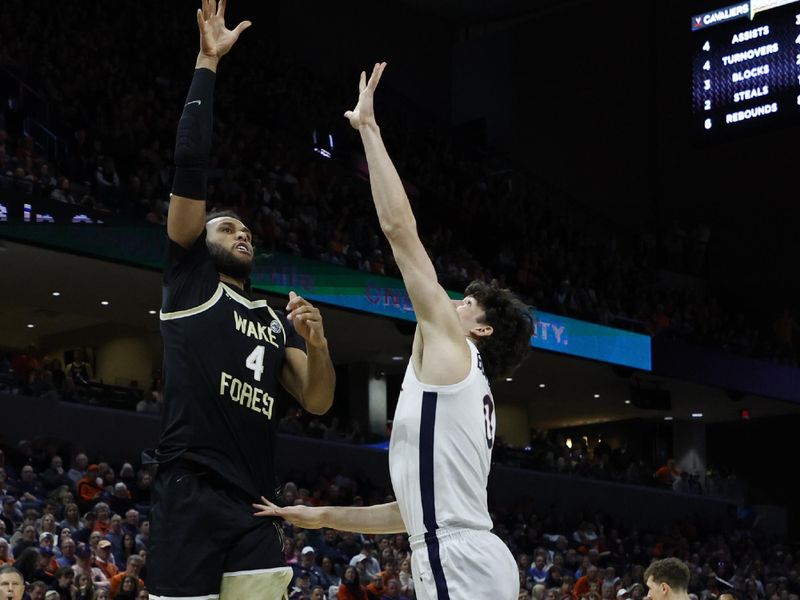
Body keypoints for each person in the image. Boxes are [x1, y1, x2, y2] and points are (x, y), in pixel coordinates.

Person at [255, 62, 533, 600]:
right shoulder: (464, 391)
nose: (450, 303)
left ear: (481, 331)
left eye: (465, 304)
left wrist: (369, 131)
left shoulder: (452, 352)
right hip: (465, 551)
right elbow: (409, 513)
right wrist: (320, 515)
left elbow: (400, 232)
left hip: (459, 559)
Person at [144, 2, 336, 599]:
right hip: (190, 491)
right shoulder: (189, 280)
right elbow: (190, 165)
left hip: (255, 505)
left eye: (246, 230)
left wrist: (319, 343)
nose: (242, 232)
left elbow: (319, 400)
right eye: (226, 228)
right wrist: (207, 63)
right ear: (200, 241)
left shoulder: (274, 319)